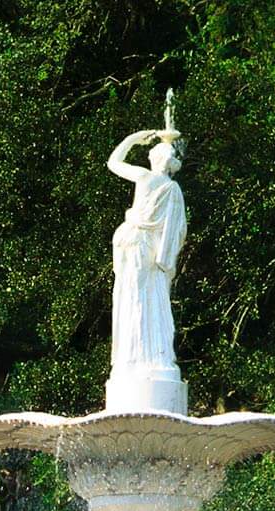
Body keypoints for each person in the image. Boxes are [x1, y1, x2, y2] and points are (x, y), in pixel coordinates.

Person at [106, 127, 185, 385]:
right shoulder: (172, 189)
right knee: (148, 298)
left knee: (131, 298)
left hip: (131, 242)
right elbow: (177, 229)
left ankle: (133, 357)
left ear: (154, 160)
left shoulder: (144, 177)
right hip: (147, 248)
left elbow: (113, 162)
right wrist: (167, 259)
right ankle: (148, 355)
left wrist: (132, 139)